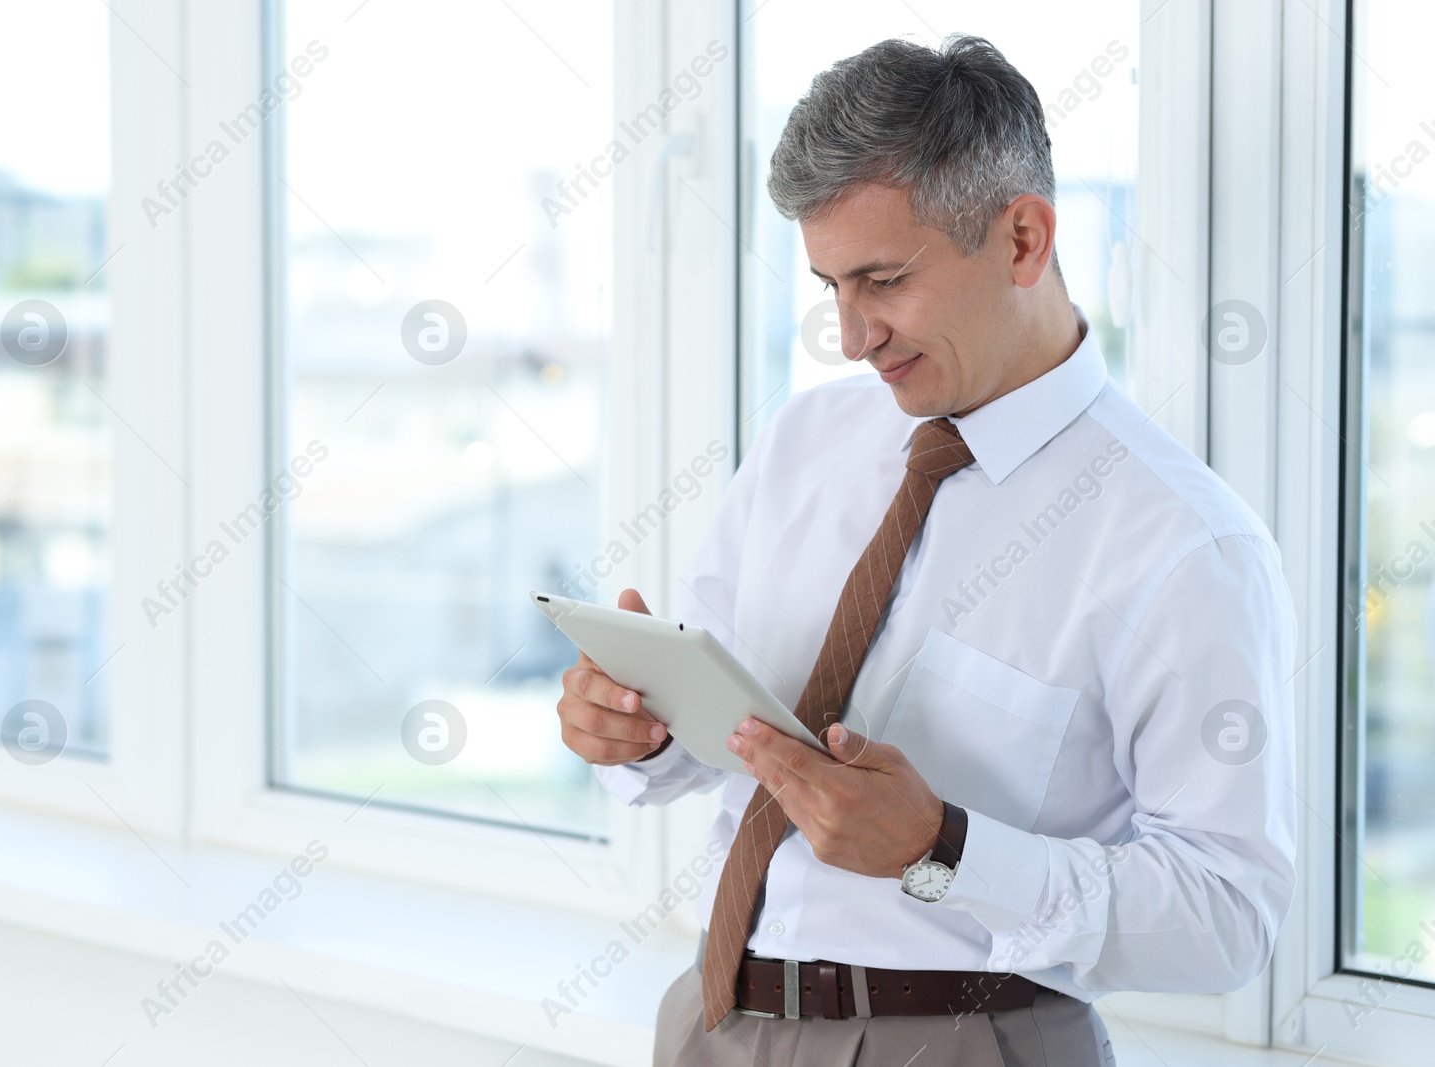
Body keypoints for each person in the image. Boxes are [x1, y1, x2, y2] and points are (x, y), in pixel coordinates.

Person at [555, 35, 1297, 1067]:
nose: (852, 335)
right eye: (829, 287)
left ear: (1023, 240)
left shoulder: (1180, 542)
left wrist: (944, 850)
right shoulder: (805, 442)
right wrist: (637, 728)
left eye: (884, 280)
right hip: (711, 1020)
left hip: (962, 1041)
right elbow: (729, 724)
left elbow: (1229, 914)